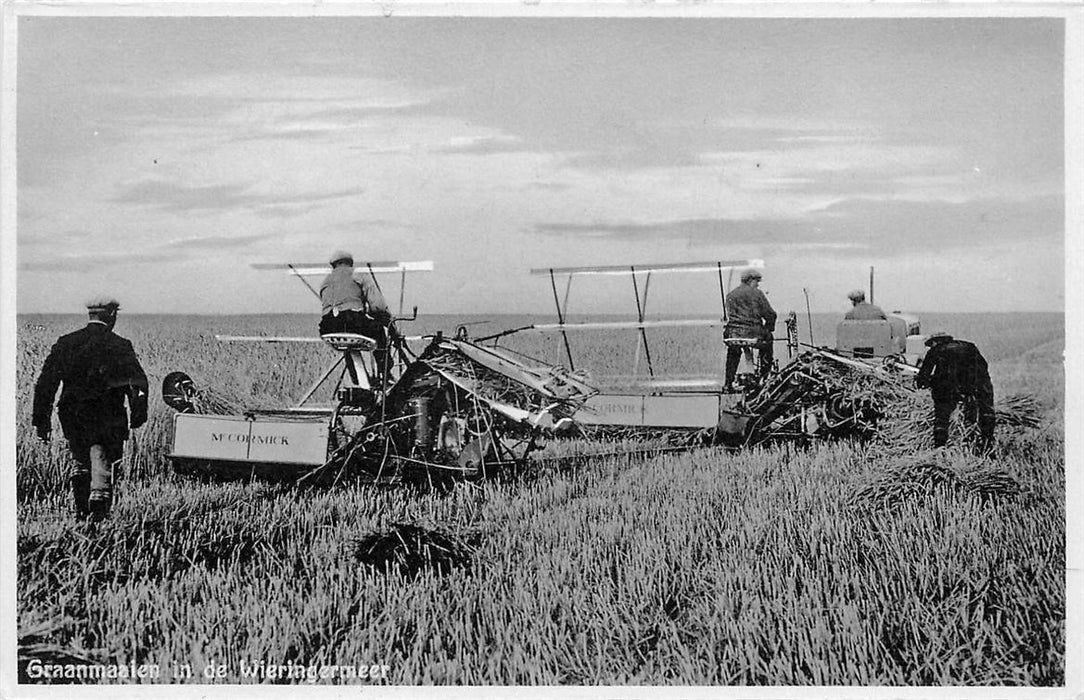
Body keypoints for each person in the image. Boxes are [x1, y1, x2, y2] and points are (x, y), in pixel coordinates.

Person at [32, 297, 149, 519]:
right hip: (108, 416)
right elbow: (139, 384)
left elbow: (46, 384)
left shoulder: (66, 343)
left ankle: (81, 514)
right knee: (102, 461)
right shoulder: (120, 345)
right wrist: (138, 413)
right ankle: (98, 519)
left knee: (80, 460)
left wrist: (41, 421)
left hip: (72, 415)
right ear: (112, 315)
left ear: (90, 315)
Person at [318, 251, 394, 382]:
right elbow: (377, 306)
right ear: (350, 263)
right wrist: (388, 322)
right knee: (379, 332)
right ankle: (386, 374)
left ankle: (357, 379)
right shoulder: (357, 275)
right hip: (351, 320)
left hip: (327, 326)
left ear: (333, 265)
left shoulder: (325, 281)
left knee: (346, 343)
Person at [914, 331, 995, 452]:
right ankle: (986, 443)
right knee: (984, 412)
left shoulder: (936, 350)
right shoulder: (970, 346)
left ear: (935, 341)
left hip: (948, 386)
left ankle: (940, 447)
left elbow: (923, 376)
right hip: (977, 383)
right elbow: (983, 366)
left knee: (942, 414)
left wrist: (926, 384)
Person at [723, 268, 777, 390]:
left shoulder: (730, 295)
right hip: (753, 332)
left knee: (733, 352)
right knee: (768, 342)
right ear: (750, 280)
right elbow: (770, 314)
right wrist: (769, 327)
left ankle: (728, 383)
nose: (757, 284)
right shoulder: (756, 293)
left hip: (733, 334)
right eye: (757, 281)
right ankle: (764, 378)